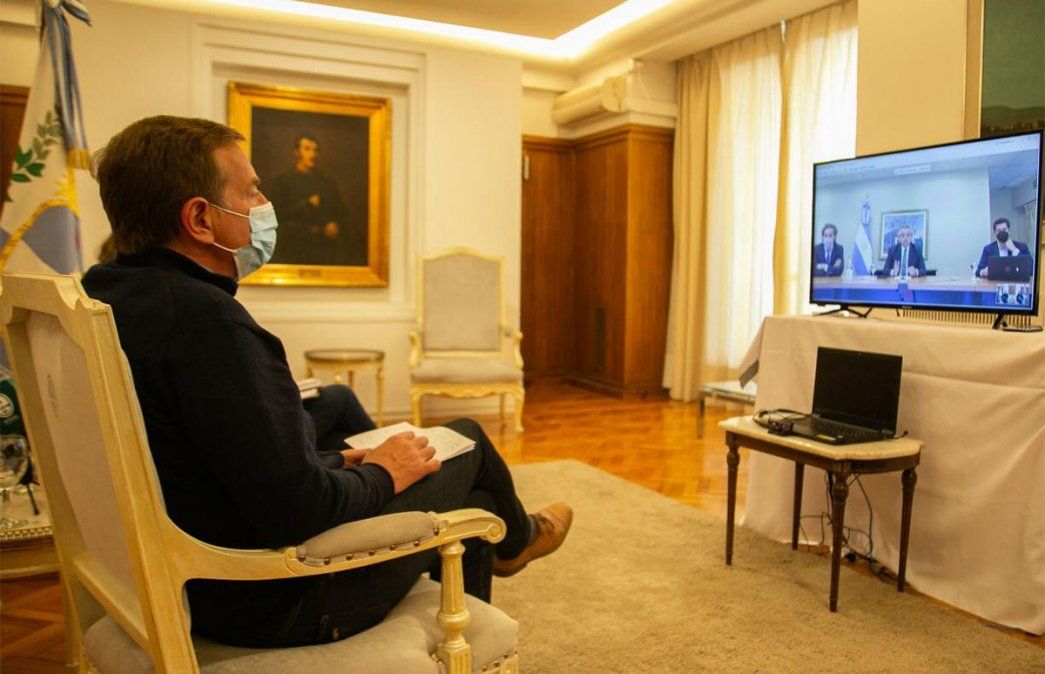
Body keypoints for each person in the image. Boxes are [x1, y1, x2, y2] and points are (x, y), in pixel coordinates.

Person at [81, 116, 571, 648]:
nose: (264, 204)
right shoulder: (209, 324)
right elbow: (299, 509)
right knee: (468, 440)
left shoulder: (111, 295)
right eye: (249, 193)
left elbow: (224, 463)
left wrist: (339, 460)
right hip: (277, 600)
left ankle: (496, 572)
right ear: (200, 218)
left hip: (189, 577)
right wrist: (385, 473)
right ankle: (516, 541)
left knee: (472, 497)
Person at [266, 133, 365, 267]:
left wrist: (336, 224)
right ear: (296, 152)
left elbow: (342, 213)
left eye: (315, 150)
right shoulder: (283, 182)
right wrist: (306, 205)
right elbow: (276, 218)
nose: (312, 154)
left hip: (323, 251)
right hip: (292, 250)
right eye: (307, 149)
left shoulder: (327, 182)